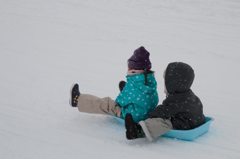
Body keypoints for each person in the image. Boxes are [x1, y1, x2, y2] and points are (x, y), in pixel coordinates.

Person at [69, 46, 159, 123]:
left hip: (133, 117)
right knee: (137, 94)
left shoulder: (132, 85)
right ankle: (131, 97)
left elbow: (119, 102)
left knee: (108, 104)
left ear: (133, 69)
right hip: (147, 112)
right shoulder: (151, 81)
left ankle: (77, 100)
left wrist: (126, 94)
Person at [125, 62, 205, 141]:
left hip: (185, 125)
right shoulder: (187, 95)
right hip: (196, 121)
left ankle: (138, 131)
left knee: (162, 123)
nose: (164, 85)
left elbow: (164, 111)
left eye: (165, 82)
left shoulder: (177, 100)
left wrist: (151, 115)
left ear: (173, 85)